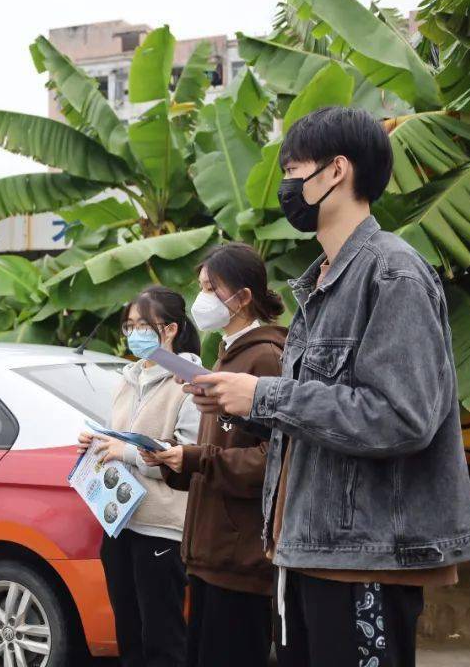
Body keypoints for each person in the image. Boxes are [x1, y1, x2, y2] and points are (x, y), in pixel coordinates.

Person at [189, 107, 470, 667]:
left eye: (294, 169)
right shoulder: (321, 284)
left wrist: (266, 396)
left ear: (335, 171)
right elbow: (317, 419)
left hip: (361, 559)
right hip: (307, 551)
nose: (287, 186)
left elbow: (402, 417)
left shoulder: (392, 272)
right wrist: (244, 406)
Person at [141, 243, 287, 667]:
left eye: (211, 288)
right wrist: (180, 459)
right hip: (210, 553)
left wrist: (198, 461)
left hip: (240, 559)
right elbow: (224, 445)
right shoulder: (227, 354)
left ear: (242, 298)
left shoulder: (265, 357)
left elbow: (274, 460)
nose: (201, 299)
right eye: (201, 287)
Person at [77, 286, 202, 667]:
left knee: (162, 639)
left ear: (171, 330)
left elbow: (191, 455)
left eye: (143, 325)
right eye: (129, 325)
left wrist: (127, 452)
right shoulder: (128, 377)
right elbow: (123, 436)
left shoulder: (190, 380)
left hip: (162, 528)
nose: (134, 334)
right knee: (128, 635)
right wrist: (98, 442)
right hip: (120, 523)